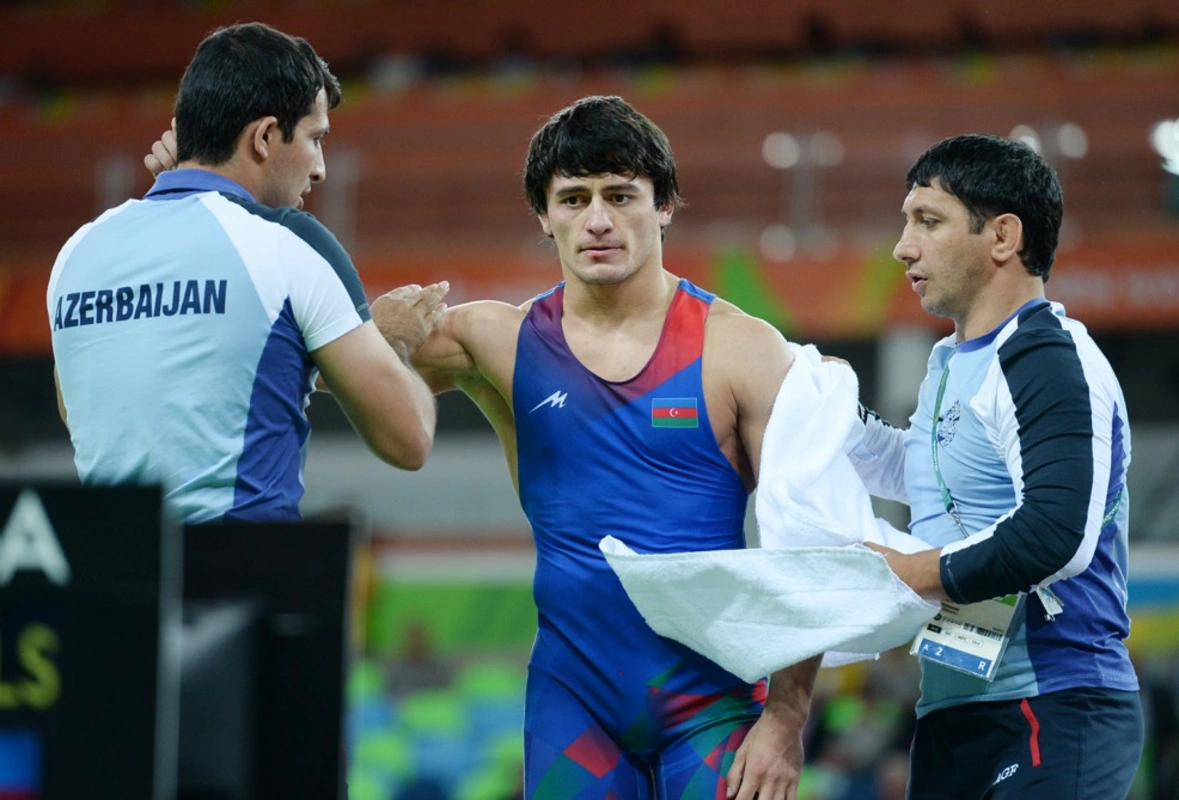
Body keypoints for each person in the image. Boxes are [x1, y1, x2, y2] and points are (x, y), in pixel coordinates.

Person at [146, 93, 819, 798]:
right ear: (542, 215)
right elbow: (303, 354)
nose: (597, 220)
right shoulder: (494, 340)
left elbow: (808, 548)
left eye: (622, 196)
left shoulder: (741, 350)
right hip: (574, 702)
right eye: (574, 198)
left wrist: (785, 717)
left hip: (711, 704)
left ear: (665, 206)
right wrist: (199, 193)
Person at [50, 22, 446, 524]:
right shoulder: (289, 242)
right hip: (242, 586)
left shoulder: (78, 252)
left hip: (111, 590)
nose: (320, 168)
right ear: (263, 137)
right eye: (314, 139)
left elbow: (85, 408)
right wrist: (399, 345)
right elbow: (409, 438)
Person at [853, 134, 1142, 798]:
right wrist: (819, 410)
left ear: (1003, 237)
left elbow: (1053, 533)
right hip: (954, 707)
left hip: (1056, 702)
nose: (903, 246)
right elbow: (927, 477)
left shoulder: (1043, 355)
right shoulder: (948, 361)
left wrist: (903, 574)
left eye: (926, 221)